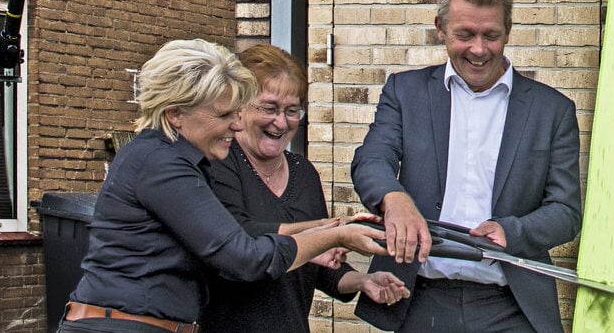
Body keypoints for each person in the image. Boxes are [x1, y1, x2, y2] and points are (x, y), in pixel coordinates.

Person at [65, 39, 387, 332]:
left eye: (292, 110)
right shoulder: (161, 165)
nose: (235, 124)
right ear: (176, 114)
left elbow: (242, 237)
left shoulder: (174, 161)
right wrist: (335, 234)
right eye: (224, 115)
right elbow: (243, 255)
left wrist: (327, 232)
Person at [352, 0, 582, 333]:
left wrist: (513, 230)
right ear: (440, 28)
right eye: (465, 35)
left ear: (508, 31)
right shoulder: (404, 91)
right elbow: (371, 160)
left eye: (491, 35)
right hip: (419, 298)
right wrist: (394, 199)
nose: (478, 49)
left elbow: (566, 212)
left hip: (510, 307)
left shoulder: (552, 110)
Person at [201, 44, 409, 332]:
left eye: (292, 110)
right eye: (270, 108)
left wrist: (363, 281)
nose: (281, 122)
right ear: (240, 106)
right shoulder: (219, 161)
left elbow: (318, 266)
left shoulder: (304, 172)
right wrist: (330, 231)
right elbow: (238, 236)